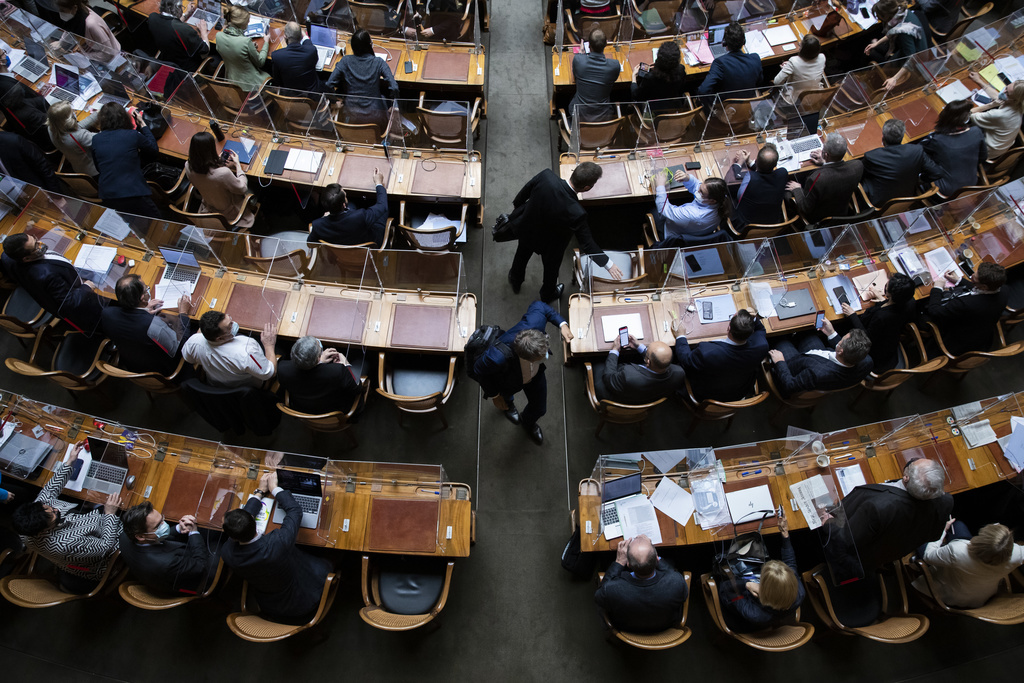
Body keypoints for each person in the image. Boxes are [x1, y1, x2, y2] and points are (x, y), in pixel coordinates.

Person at [221, 471, 332, 624]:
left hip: (269, 602)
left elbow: (241, 524)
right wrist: (274, 489)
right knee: (329, 557)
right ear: (254, 522)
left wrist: (259, 492)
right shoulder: (277, 543)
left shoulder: (227, 553)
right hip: (304, 595)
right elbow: (295, 511)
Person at [11, 441, 121, 594]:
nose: (54, 508)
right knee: (129, 515)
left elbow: (49, 491)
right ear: (43, 531)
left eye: (48, 508)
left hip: (85, 526)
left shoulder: (32, 521)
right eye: (53, 515)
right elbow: (105, 546)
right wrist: (110, 514)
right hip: (103, 557)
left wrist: (70, 461)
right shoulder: (66, 545)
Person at [507, 163, 623, 303]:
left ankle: (515, 280)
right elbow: (587, 244)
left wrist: (519, 213)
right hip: (552, 246)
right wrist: (609, 264)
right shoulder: (577, 213)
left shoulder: (546, 176)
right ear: (587, 188)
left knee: (521, 254)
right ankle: (547, 294)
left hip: (529, 229)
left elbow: (523, 194)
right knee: (551, 271)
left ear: (574, 173)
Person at [473, 301, 573, 445]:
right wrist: (495, 395)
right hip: (508, 378)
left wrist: (562, 324)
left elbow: (541, 306)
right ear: (526, 358)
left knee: (540, 408)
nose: (546, 357)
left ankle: (528, 422)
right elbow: (479, 370)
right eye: (540, 358)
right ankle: (509, 406)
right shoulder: (496, 357)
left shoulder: (535, 322)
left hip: (535, 375)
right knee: (505, 397)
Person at [843, 458, 953, 570]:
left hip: (858, 559)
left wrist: (827, 519)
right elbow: (934, 536)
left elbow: (845, 541)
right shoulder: (946, 502)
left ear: (906, 478)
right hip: (890, 553)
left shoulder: (878, 507)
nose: (912, 459)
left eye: (912, 464)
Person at [717, 510, 804, 633]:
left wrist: (746, 585)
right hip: (771, 607)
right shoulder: (799, 593)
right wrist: (785, 534)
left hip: (739, 611)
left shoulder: (755, 613)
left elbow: (725, 590)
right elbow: (791, 565)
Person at [1, 232, 103, 333]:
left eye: (35, 238)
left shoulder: (6, 256)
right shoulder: (47, 275)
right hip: (80, 308)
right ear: (26, 258)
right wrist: (86, 287)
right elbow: (69, 302)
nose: (40, 243)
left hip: (44, 291)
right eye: (36, 246)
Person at [913, 521, 1024, 609]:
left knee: (922, 532)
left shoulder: (957, 550)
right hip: (978, 598)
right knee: (958, 525)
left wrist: (942, 530)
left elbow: (928, 556)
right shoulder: (1018, 553)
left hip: (949, 595)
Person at [100, 274, 193, 377]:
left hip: (134, 365)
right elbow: (183, 346)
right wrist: (183, 313)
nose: (148, 290)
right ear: (143, 298)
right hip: (164, 371)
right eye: (146, 289)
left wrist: (144, 311)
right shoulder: (153, 326)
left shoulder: (107, 313)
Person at [594, 534, 689, 634]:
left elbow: (599, 597)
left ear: (628, 564)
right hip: (664, 626)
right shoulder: (677, 581)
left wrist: (619, 562)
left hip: (626, 628)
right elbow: (674, 578)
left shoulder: (612, 589)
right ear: (657, 560)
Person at [119, 502, 219, 594]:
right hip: (190, 583)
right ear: (140, 536)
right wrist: (193, 532)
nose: (164, 524)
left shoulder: (125, 536)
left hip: (167, 566)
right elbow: (200, 566)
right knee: (217, 542)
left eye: (162, 519)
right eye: (158, 525)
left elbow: (154, 537)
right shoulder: (167, 563)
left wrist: (179, 528)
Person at [673, 308, 768, 402]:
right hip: (738, 392)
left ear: (728, 328)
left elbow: (685, 360)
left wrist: (680, 336)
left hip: (708, 395)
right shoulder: (761, 347)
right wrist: (753, 319)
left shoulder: (707, 353)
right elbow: (761, 330)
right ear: (751, 332)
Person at [91, 103, 162, 219]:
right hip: (133, 192)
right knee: (156, 222)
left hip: (108, 194)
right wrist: (143, 124)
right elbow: (153, 150)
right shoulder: (132, 135)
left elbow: (98, 167)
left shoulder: (96, 139)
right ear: (123, 117)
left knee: (129, 224)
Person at [923, 262, 1008, 356]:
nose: (971, 276)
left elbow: (934, 311)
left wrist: (937, 288)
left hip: (956, 337)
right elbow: (981, 290)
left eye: (974, 278)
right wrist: (958, 280)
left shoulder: (966, 304)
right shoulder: (1004, 290)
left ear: (984, 286)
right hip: (979, 328)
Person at [835, 272, 914, 372]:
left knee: (841, 325)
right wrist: (881, 299)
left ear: (889, 293)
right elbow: (892, 308)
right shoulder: (910, 302)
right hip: (889, 340)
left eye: (886, 285)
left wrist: (852, 315)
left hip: (875, 351)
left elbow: (866, 337)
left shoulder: (882, 316)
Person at [181, 311, 278, 388]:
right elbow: (270, 373)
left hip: (216, 384)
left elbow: (188, 358)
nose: (233, 324)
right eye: (229, 326)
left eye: (230, 319)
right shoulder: (247, 351)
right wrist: (269, 345)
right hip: (245, 387)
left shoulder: (193, 342)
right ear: (220, 338)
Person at [767, 328, 873, 397]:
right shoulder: (866, 360)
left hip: (792, 366)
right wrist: (832, 333)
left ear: (841, 351)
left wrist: (780, 362)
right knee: (807, 330)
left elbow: (789, 385)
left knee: (779, 338)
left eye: (841, 340)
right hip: (819, 354)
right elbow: (847, 350)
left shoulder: (815, 373)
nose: (839, 340)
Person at [326, 29, 398, 129]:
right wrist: (392, 103)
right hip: (376, 116)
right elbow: (394, 87)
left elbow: (329, 85)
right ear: (369, 45)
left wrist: (335, 101)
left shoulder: (345, 61)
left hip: (351, 115)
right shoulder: (378, 62)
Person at [786, 133, 864, 224]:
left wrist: (797, 189)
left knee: (786, 193)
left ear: (825, 154)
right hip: (841, 211)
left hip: (819, 218)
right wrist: (825, 162)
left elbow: (805, 208)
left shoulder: (817, 178)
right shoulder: (858, 166)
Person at [861, 119, 942, 206]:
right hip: (907, 197)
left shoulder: (872, 156)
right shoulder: (916, 151)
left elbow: (861, 174)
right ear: (902, 136)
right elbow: (937, 172)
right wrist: (920, 180)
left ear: (883, 138)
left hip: (879, 203)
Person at [184, 131, 255, 231]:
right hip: (229, 213)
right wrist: (237, 165)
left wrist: (217, 161)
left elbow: (207, 178)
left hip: (210, 205)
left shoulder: (188, 165)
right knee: (254, 189)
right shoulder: (223, 173)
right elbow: (242, 188)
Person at [277, 335, 361, 414]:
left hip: (304, 409)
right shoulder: (338, 371)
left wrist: (320, 362)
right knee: (363, 363)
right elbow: (357, 388)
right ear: (318, 358)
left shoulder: (282, 368)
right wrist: (346, 365)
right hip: (335, 411)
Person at [921, 99, 987, 197]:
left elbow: (917, 152)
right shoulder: (976, 131)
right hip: (971, 184)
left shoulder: (937, 140)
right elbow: (983, 157)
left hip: (944, 190)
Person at [593, 337, 684, 404]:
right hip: (646, 397)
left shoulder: (628, 375)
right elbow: (656, 360)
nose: (646, 349)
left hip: (619, 397)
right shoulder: (679, 373)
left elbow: (609, 377)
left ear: (647, 362)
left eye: (647, 350)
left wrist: (615, 350)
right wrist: (639, 346)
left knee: (598, 363)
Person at [308, 170, 388, 247]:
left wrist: (323, 218)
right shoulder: (360, 216)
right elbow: (382, 205)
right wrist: (379, 183)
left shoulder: (318, 225)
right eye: (345, 196)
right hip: (369, 246)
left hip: (340, 252)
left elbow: (310, 244)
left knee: (352, 204)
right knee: (384, 212)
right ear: (343, 205)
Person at [866, 0, 930, 92]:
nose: (879, 19)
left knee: (885, 79)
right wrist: (877, 43)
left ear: (886, 15)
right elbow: (895, 31)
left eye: (879, 15)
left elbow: (912, 59)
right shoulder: (902, 13)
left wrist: (895, 78)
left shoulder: (904, 34)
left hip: (917, 61)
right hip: (906, 51)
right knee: (884, 70)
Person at [0, 54, 54, 153]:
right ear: (1, 61)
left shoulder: (5, 81)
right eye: (3, 53)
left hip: (33, 118)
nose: (6, 55)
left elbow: (24, 103)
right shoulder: (8, 89)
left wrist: (39, 97)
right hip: (48, 133)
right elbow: (34, 117)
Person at [653, 171, 729, 239]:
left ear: (712, 201)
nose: (697, 190)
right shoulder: (720, 201)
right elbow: (697, 185)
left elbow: (663, 208)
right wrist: (687, 178)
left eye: (701, 192)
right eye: (700, 187)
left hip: (671, 234)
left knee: (652, 209)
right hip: (692, 230)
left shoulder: (692, 215)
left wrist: (660, 185)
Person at [696, 21, 762, 100]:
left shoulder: (719, 63)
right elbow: (759, 82)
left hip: (727, 108)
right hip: (748, 105)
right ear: (743, 41)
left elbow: (703, 90)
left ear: (724, 43)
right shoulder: (755, 58)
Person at [567, 28, 620, 122]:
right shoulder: (614, 65)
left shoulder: (579, 60)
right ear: (606, 44)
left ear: (589, 45)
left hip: (580, 113)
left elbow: (575, 74)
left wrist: (581, 55)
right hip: (603, 115)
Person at [730, 144, 788, 229]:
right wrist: (750, 162)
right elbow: (764, 172)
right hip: (771, 222)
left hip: (746, 224)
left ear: (756, 160)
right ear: (775, 164)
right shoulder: (783, 173)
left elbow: (739, 197)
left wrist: (739, 163)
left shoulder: (751, 177)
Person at [968, 73, 1024, 160]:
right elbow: (998, 97)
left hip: (985, 151)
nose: (1003, 92)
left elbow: (969, 114)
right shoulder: (1019, 104)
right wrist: (979, 81)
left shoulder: (1000, 115)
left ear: (1014, 99)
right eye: (1006, 88)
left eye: (1007, 93)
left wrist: (990, 105)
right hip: (1000, 145)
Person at [148, 0, 210, 77]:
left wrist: (186, 14)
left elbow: (170, 24)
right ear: (177, 9)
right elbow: (205, 51)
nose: (182, 9)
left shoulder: (152, 18)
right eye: (181, 7)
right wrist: (203, 32)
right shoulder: (185, 30)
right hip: (185, 69)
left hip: (167, 58)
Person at [217, 7, 270, 91]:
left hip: (231, 81)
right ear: (241, 24)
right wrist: (266, 42)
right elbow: (260, 62)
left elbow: (232, 48)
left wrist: (250, 47)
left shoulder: (219, 36)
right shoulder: (245, 41)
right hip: (250, 85)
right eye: (247, 22)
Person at [47, 102, 99, 178]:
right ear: (68, 120)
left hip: (78, 166)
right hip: (95, 169)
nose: (75, 113)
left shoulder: (51, 128)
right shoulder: (78, 136)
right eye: (72, 113)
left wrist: (96, 114)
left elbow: (77, 127)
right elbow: (104, 138)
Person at [55, 0, 120, 61]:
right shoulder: (75, 17)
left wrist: (84, 56)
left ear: (74, 8)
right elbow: (70, 30)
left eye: (63, 10)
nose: (61, 13)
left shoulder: (91, 25)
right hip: (91, 55)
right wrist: (61, 42)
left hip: (110, 60)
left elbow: (109, 54)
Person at [0, 131, 65, 192]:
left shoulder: (13, 141)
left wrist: (57, 196)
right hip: (16, 196)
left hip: (44, 190)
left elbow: (44, 167)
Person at [774, 35, 826, 106]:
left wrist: (786, 68)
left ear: (802, 50)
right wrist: (789, 66)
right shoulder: (822, 57)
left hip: (796, 101)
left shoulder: (793, 61)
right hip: (815, 97)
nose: (799, 48)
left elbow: (777, 82)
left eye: (800, 46)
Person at [271, 21, 323, 93]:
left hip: (290, 97)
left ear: (285, 37)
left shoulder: (276, 56)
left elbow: (277, 80)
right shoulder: (311, 51)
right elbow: (312, 55)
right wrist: (305, 36)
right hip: (311, 95)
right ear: (301, 37)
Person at [630, 41, 685, 108]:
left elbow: (636, 96)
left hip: (652, 109)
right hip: (672, 106)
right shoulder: (681, 70)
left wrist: (633, 78)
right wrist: (657, 65)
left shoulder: (650, 77)